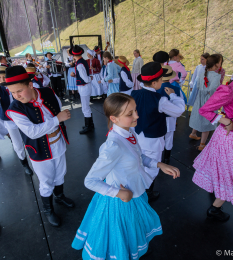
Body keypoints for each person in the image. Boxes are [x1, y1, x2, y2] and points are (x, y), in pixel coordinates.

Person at [72, 93, 180, 260]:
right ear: (114, 119)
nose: (137, 115)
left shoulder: (129, 132)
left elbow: (139, 156)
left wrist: (159, 164)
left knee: (134, 227)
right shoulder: (113, 146)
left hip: (134, 192)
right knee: (122, 232)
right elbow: (90, 181)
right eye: (130, 114)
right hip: (121, 200)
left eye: (135, 110)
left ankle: (135, 248)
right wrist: (120, 193)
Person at [5, 66, 74, 227]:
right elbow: (33, 132)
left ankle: (59, 195)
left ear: (30, 85)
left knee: (60, 173)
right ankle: (48, 210)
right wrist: (57, 120)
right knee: (46, 180)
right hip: (40, 150)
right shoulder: (15, 109)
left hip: (58, 141)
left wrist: (58, 119)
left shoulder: (48, 92)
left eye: (19, 91)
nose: (16, 96)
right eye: (12, 92)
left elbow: (57, 107)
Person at [192, 44, 233, 221]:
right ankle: (215, 208)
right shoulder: (230, 89)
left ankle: (217, 202)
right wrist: (224, 120)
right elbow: (205, 110)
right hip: (231, 139)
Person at [131, 62, 185, 202]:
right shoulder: (159, 100)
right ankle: (145, 194)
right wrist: (173, 96)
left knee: (138, 163)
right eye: (161, 80)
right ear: (155, 83)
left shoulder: (134, 94)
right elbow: (179, 110)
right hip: (152, 140)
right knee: (151, 169)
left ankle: (141, 190)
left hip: (136, 136)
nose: (162, 82)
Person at [0, 65, 33, 175]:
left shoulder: (19, 87)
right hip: (10, 121)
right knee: (17, 144)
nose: (2, 80)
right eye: (0, 77)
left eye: (4, 77)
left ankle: (36, 159)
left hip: (25, 117)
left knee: (32, 138)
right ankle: (24, 163)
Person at [189, 54, 221, 151]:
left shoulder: (202, 73)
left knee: (198, 117)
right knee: (206, 122)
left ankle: (193, 133)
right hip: (209, 101)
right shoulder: (217, 76)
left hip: (199, 99)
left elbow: (198, 86)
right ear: (216, 65)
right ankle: (202, 144)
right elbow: (213, 89)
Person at [157, 65, 185, 164]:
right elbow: (181, 102)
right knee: (169, 138)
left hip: (158, 118)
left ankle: (158, 157)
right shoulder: (176, 89)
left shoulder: (155, 89)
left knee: (159, 137)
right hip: (170, 118)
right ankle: (167, 157)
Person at [70, 45, 94, 134]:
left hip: (84, 87)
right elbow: (84, 75)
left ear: (73, 55)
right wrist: (76, 75)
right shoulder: (82, 61)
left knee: (85, 107)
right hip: (85, 86)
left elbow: (85, 78)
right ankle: (90, 124)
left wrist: (89, 79)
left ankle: (88, 126)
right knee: (86, 106)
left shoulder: (79, 64)